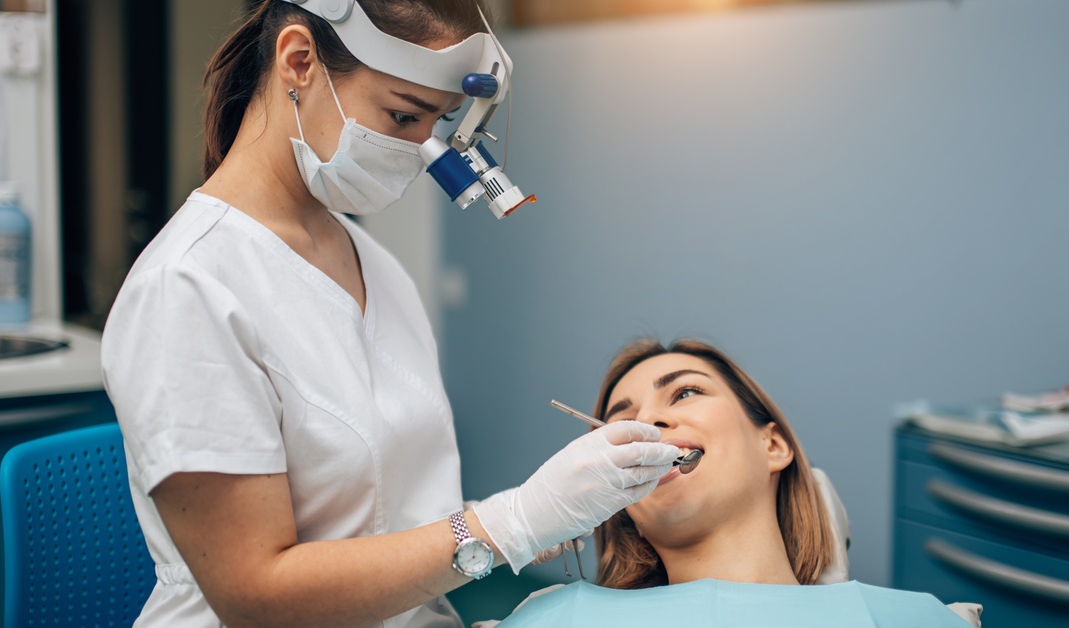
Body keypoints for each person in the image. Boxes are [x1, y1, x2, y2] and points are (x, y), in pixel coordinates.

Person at [100, 2, 680, 626]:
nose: (419, 149)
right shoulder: (187, 288)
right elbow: (255, 597)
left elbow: (387, 508)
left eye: (437, 121)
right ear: (299, 61)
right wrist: (511, 522)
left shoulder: (374, 265)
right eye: (402, 115)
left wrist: (541, 517)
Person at [493, 339, 980, 627]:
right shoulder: (560, 618)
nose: (647, 424)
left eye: (685, 393)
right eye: (622, 422)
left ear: (773, 446)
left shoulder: (906, 619)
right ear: (620, 503)